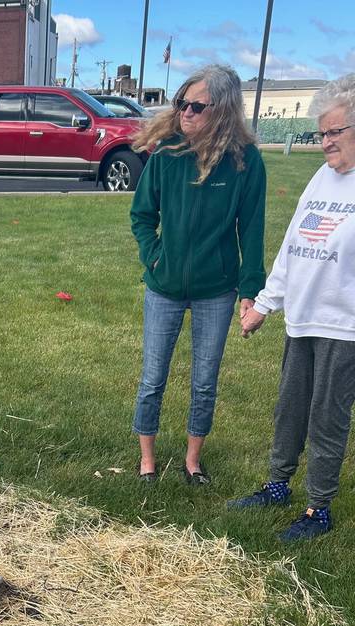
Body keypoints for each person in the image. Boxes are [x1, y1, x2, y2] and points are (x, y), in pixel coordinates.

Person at [229, 74, 355, 541]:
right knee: (289, 409)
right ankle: (277, 485)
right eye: (321, 133)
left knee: (328, 417)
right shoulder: (322, 177)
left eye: (333, 133)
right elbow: (292, 247)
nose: (324, 142)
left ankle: (318, 509)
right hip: (302, 319)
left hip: (344, 328)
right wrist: (264, 304)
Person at [130, 64, 266, 485]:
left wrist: (250, 290)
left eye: (196, 106)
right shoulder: (167, 153)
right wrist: (155, 258)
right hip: (164, 287)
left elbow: (253, 230)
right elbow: (141, 215)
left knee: (204, 381)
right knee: (153, 376)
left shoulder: (246, 162)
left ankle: (192, 461)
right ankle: (147, 460)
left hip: (215, 291)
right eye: (180, 104)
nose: (184, 113)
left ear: (222, 111)